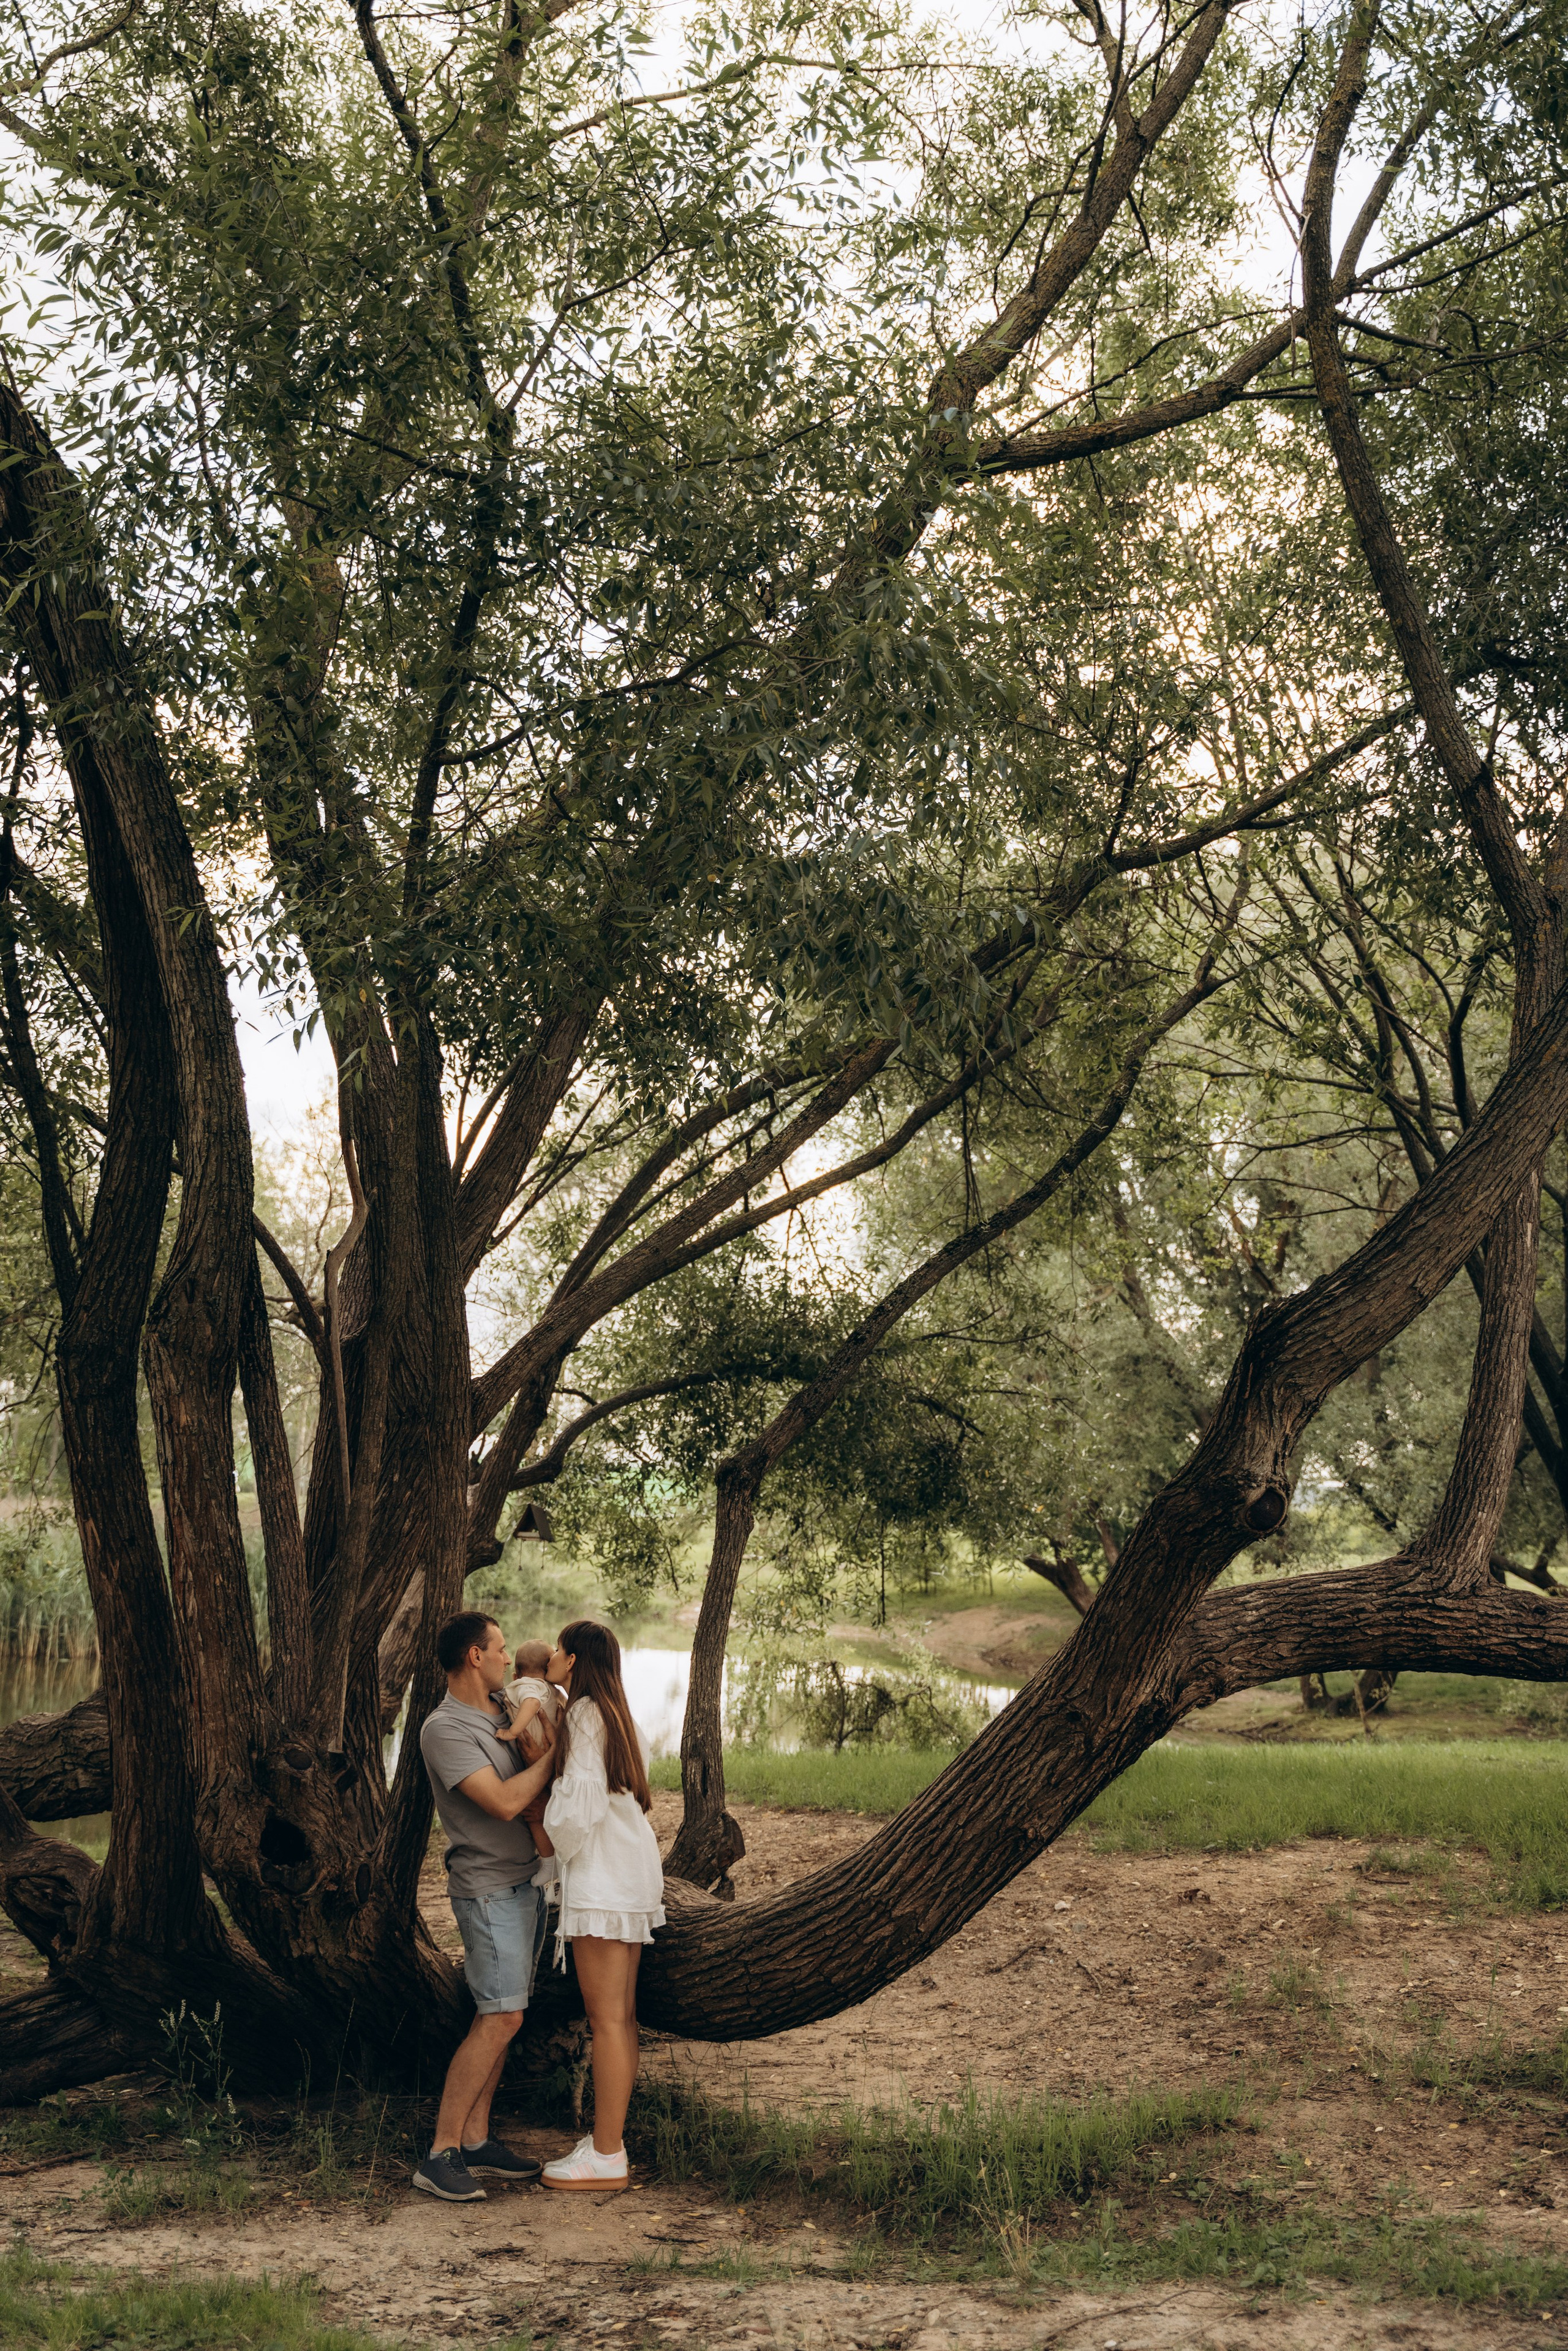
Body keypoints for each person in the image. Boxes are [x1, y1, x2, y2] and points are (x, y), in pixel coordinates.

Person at [413, 1610, 557, 2202]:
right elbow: (500, 1803)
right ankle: (439, 2154)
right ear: (474, 1655)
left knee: (501, 2015)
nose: (507, 1658)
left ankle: (476, 2141)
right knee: (501, 2019)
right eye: (499, 1648)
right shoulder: (443, 1730)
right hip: (487, 1889)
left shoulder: (504, 1712)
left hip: (525, 1883)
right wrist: (560, 1756)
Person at [538, 1619, 665, 2193]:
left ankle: (609, 2153)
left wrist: (542, 1823)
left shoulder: (587, 1715)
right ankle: (605, 2141)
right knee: (621, 2019)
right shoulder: (617, 1714)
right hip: (628, 1871)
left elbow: (579, 1805)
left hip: (604, 1877)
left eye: (558, 1651)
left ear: (573, 1661)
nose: (552, 1658)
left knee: (608, 2020)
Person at [494, 1638, 562, 1862]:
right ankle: (550, 1859)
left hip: (531, 1749)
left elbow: (531, 1703)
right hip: (550, 1752)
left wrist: (512, 1731)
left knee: (533, 1810)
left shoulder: (527, 1686)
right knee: (541, 1806)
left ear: (516, 1675)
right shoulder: (552, 1690)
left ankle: (547, 1859)